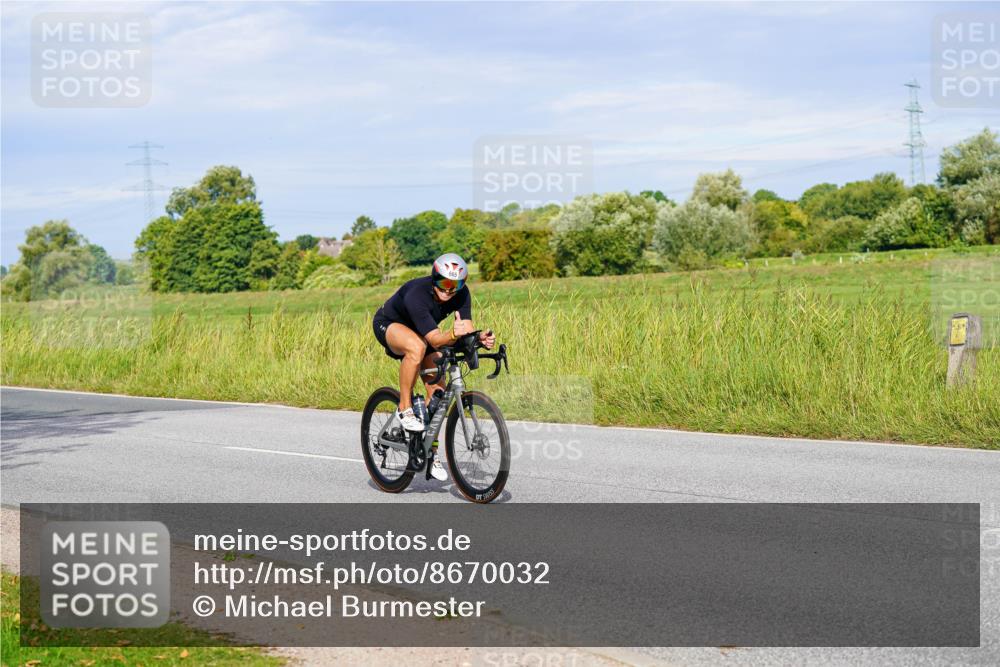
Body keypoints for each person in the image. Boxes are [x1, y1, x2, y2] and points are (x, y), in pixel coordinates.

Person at [372, 253, 495, 480]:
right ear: (434, 277)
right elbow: (437, 339)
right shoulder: (418, 294)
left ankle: (431, 453)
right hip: (390, 324)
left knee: (438, 394)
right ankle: (405, 407)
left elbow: (465, 328)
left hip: (424, 331)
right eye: (444, 283)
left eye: (455, 285)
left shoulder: (461, 295)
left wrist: (478, 339)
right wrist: (451, 334)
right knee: (416, 348)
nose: (448, 290)